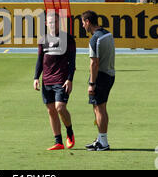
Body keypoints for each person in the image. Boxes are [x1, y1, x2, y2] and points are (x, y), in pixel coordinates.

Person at [34, 11, 76, 150]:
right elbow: (40, 60)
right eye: (50, 22)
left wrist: (69, 79)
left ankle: (69, 133)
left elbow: (72, 62)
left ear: (59, 23)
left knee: (60, 107)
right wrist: (36, 77)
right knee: (51, 110)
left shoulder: (68, 39)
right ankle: (58, 141)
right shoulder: (43, 40)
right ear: (46, 23)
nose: (53, 24)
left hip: (61, 80)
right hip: (47, 81)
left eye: (56, 22)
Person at [82, 10, 115, 151]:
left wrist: (91, 83)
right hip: (110, 74)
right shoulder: (107, 34)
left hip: (100, 77)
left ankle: (104, 142)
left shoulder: (95, 39)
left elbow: (94, 63)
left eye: (83, 23)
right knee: (99, 108)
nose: (83, 26)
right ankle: (100, 139)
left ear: (88, 22)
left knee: (100, 109)